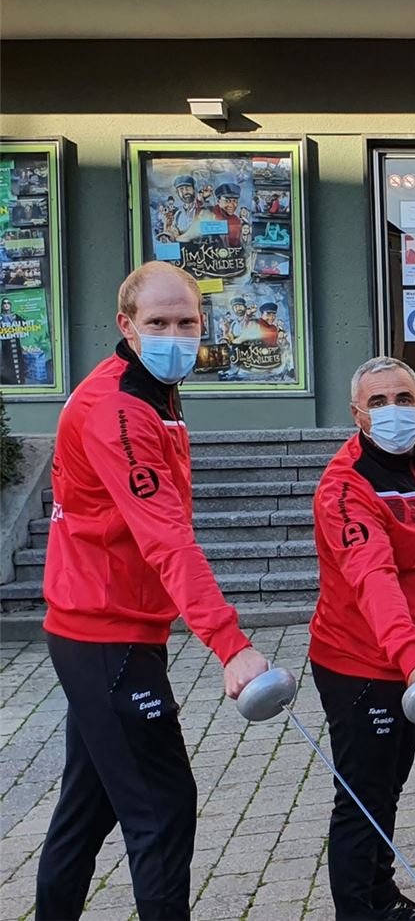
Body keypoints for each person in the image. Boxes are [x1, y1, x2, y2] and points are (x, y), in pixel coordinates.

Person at [35, 261, 269, 921]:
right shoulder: (118, 410)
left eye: (186, 322)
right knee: (163, 812)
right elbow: (165, 537)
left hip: (105, 629)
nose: (174, 334)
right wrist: (231, 647)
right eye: (158, 323)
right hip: (106, 638)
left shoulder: (151, 391)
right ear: (126, 327)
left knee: (86, 812)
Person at [309, 356, 415, 921]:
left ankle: (381, 895)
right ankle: (359, 911)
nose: (393, 411)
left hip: (408, 658)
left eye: (404, 398)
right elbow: (374, 577)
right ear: (356, 415)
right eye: (378, 402)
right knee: (363, 797)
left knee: (387, 787)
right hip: (360, 661)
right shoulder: (345, 486)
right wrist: (413, 658)